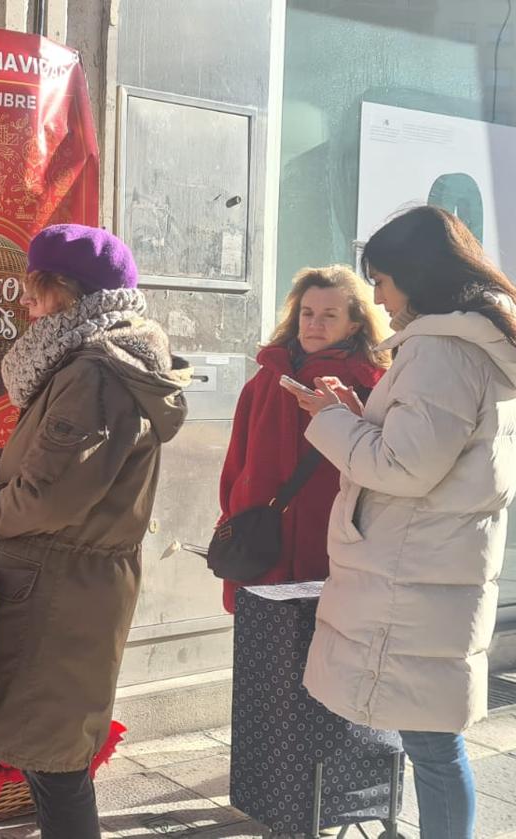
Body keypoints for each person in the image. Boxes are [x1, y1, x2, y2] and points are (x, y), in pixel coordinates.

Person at [0, 224, 191, 839]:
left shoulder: (93, 374)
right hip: (67, 581)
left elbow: (48, 498)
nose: (25, 304)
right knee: (54, 760)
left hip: (61, 590)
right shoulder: (89, 364)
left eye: (34, 289)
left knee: (58, 765)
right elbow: (69, 474)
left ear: (69, 294)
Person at [290, 205, 516, 839]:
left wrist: (332, 422)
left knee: (434, 748)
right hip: (432, 567)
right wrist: (358, 414)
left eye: (383, 281)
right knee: (432, 741)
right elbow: (430, 452)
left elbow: (404, 468)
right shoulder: (471, 343)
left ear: (417, 277)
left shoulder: (442, 350)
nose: (380, 300)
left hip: (412, 577)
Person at [217, 265, 389, 611]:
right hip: (262, 546)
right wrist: (232, 516)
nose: (315, 324)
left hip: (333, 551)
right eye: (308, 313)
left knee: (325, 657)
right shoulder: (266, 379)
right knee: (263, 655)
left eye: (329, 315)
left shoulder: (372, 384)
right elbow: (237, 461)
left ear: (353, 324)